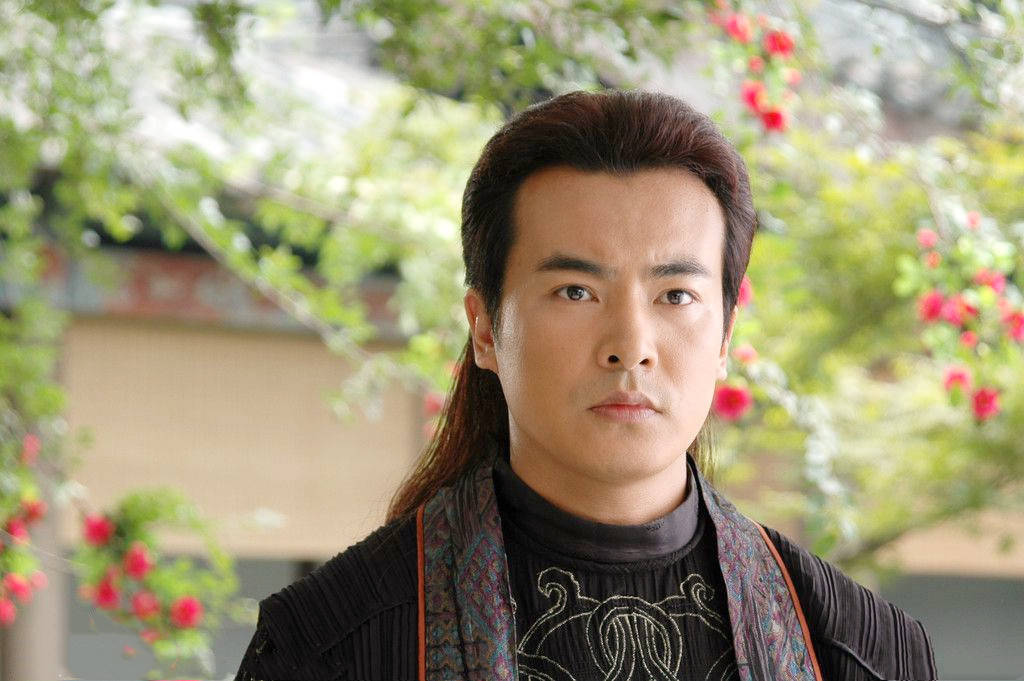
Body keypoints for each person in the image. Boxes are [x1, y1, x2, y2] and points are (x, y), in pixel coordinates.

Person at [234, 89, 937, 681]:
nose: (630, 346)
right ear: (485, 328)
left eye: (676, 295)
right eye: (575, 291)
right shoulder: (330, 644)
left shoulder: (861, 649)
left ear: (725, 335)